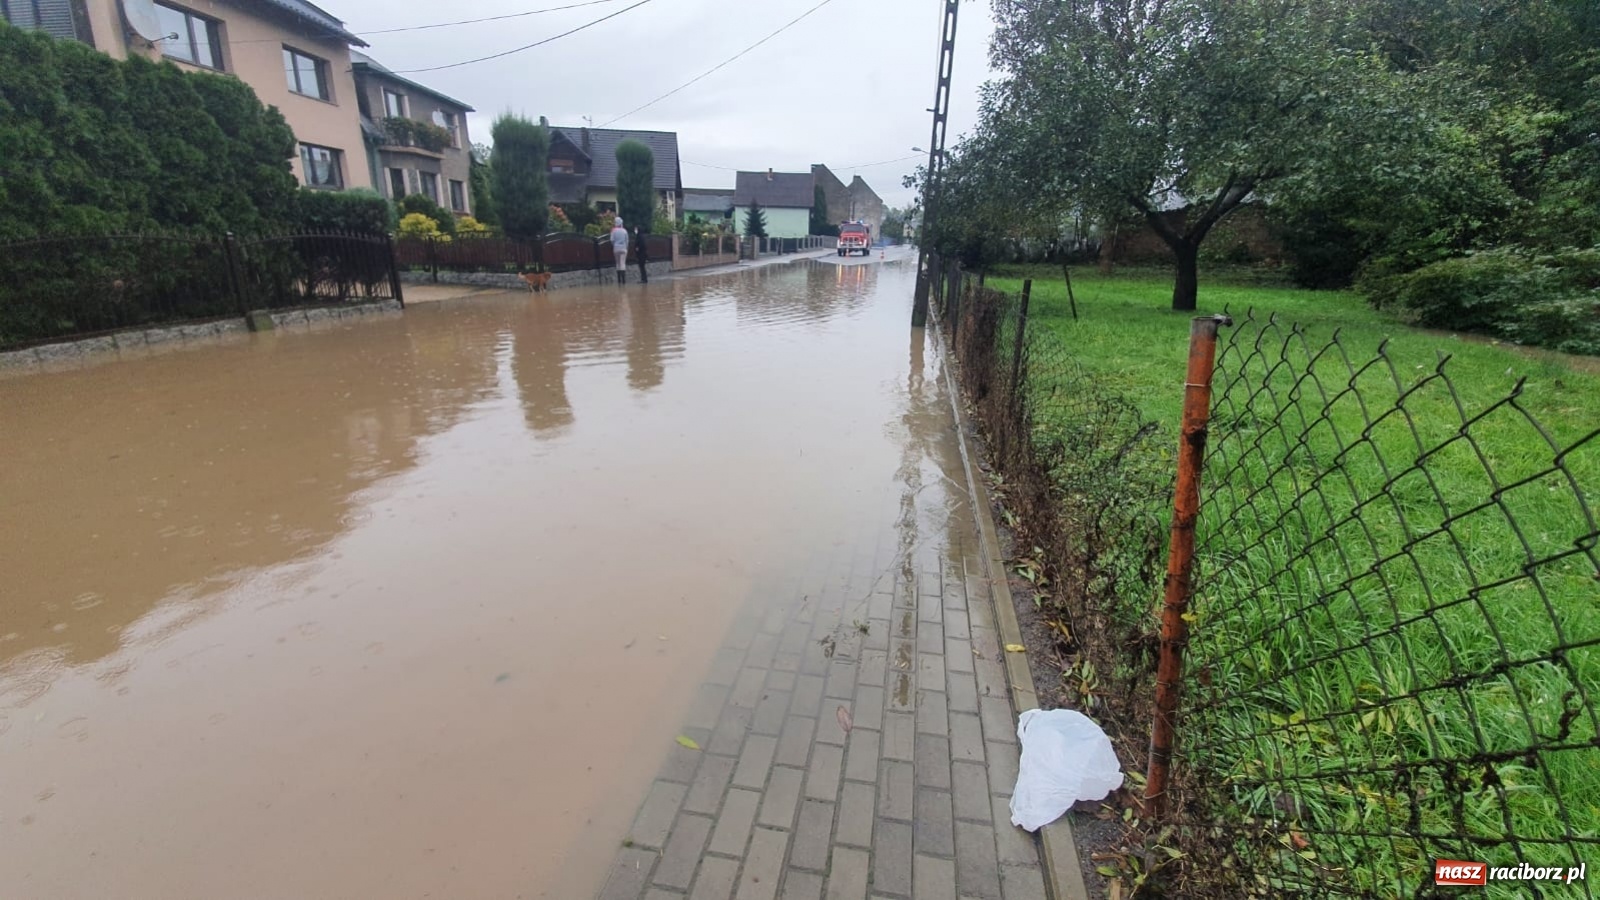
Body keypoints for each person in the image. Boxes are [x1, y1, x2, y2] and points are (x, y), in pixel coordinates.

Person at [608, 216, 629, 284]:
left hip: (616, 248)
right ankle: (624, 280)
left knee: (618, 263)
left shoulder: (613, 231)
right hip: (623, 248)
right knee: (623, 263)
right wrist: (626, 247)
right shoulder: (624, 231)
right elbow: (627, 240)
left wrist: (614, 245)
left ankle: (619, 280)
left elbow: (611, 240)